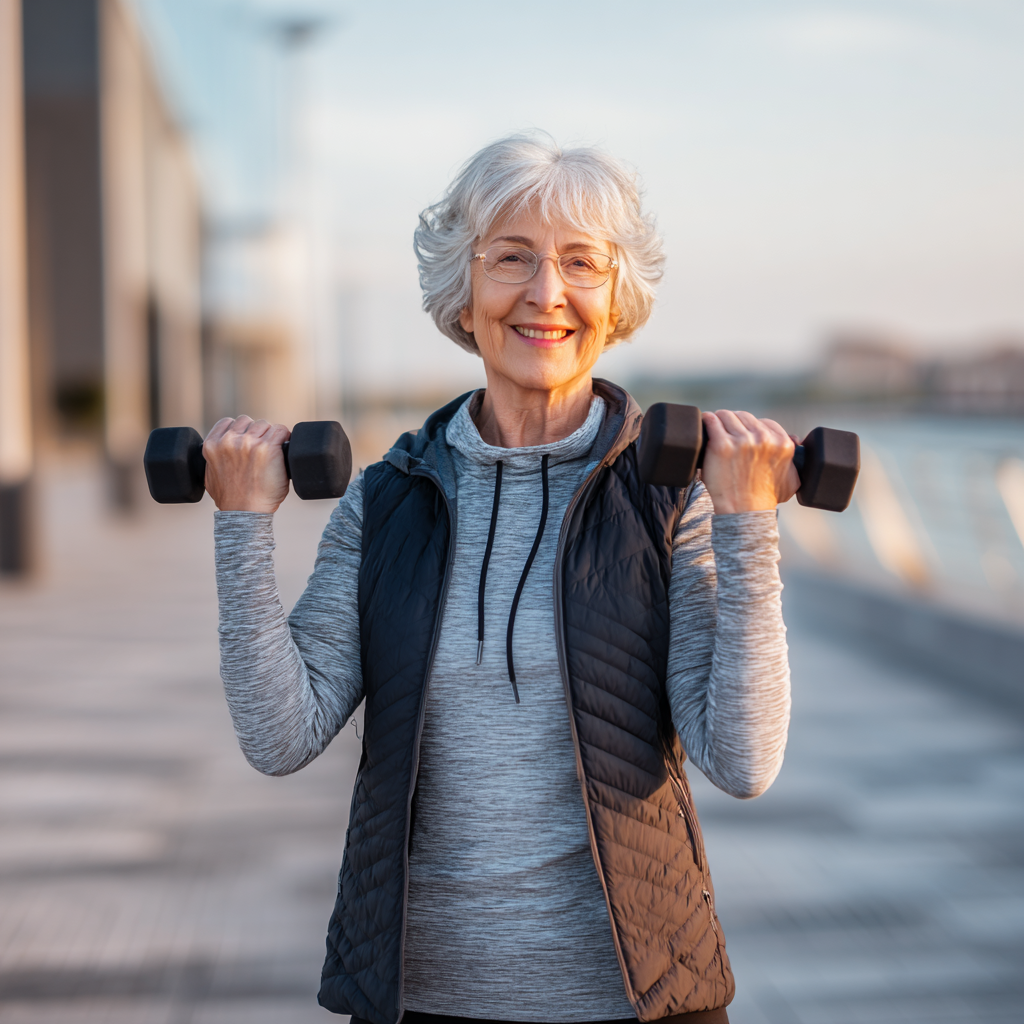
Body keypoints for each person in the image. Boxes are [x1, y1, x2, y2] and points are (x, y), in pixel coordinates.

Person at [205, 133, 795, 1024]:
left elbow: (742, 759)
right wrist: (242, 525)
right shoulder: (388, 500)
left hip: (636, 999)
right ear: (464, 288)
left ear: (615, 295)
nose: (546, 293)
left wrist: (750, 520)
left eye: (580, 263)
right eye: (511, 257)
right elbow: (279, 736)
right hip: (422, 998)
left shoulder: (669, 501)